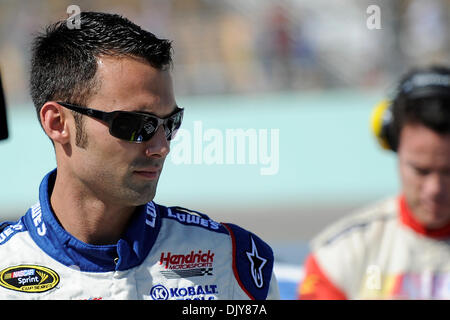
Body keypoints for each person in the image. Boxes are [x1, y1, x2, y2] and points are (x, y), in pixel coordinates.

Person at [0, 11, 279, 300]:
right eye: (136, 125)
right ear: (57, 123)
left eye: (170, 123)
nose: (162, 146)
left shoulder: (235, 261)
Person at [298, 66, 450, 300]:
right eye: (421, 170)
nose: (435, 189)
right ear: (392, 146)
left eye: (448, 171)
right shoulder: (341, 255)